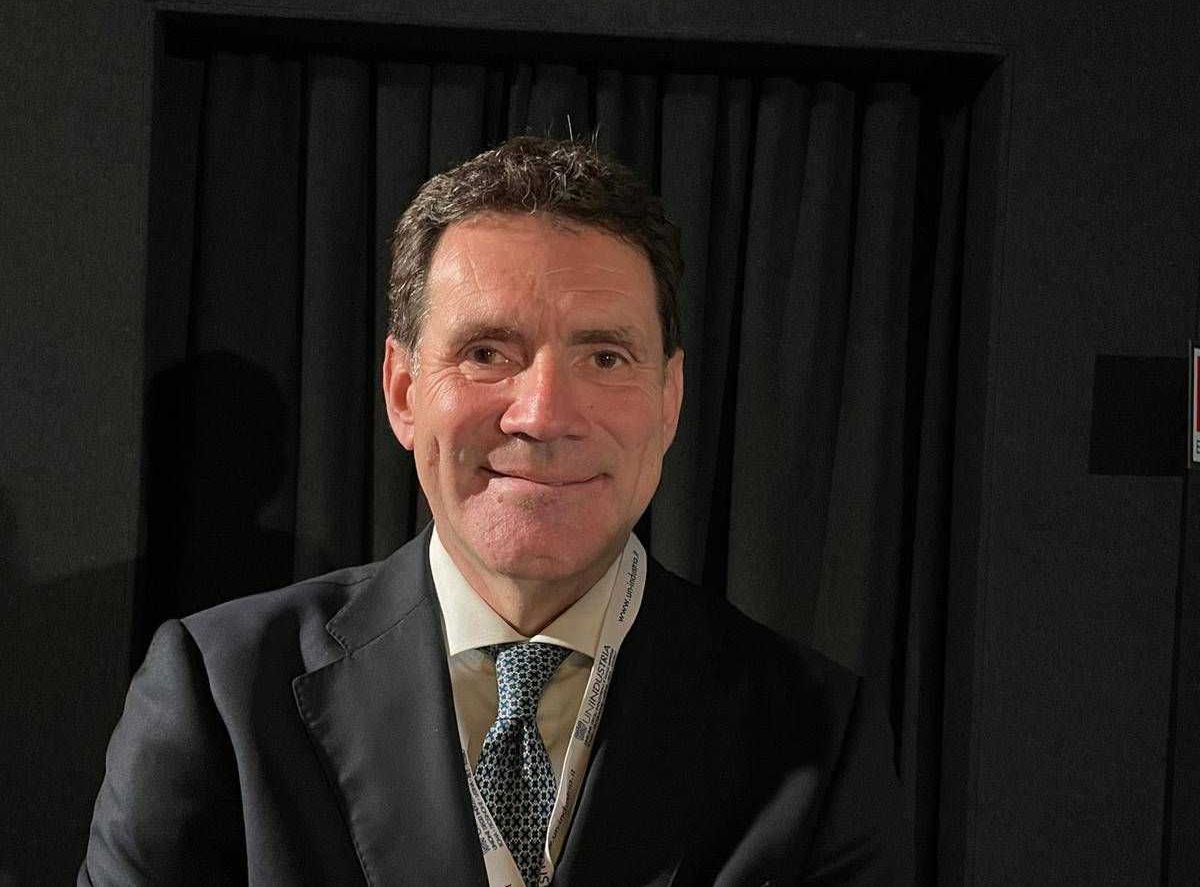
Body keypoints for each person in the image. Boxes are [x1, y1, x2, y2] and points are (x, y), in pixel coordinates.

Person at [80, 136, 904, 885]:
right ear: (404, 392)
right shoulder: (220, 694)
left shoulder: (817, 731)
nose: (542, 414)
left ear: (669, 399)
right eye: (486, 352)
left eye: (604, 356)